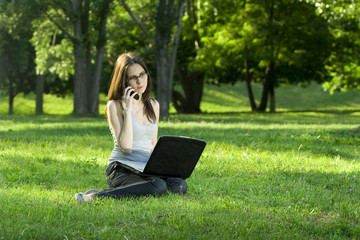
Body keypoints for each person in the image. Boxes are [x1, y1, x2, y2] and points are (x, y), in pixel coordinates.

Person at [75, 53, 187, 203]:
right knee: (158, 186)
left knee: (179, 185)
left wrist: (164, 167)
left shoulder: (154, 105)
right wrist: (128, 111)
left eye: (142, 74)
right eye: (133, 77)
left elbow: (152, 143)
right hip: (121, 168)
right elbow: (126, 147)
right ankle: (94, 196)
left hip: (145, 169)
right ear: (124, 81)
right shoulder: (114, 106)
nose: (140, 81)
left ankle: (133, 187)